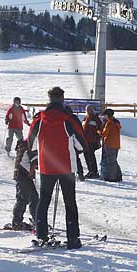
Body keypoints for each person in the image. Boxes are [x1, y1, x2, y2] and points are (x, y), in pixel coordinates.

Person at [28, 86, 86, 248]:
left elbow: (31, 143)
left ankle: (41, 235)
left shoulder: (39, 119)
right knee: (70, 202)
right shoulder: (69, 119)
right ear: (62, 99)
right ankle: (73, 238)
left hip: (47, 166)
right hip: (66, 166)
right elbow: (81, 145)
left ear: (49, 99)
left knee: (44, 201)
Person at [6, 130, 39, 231]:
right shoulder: (30, 147)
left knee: (34, 198)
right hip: (23, 175)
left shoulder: (24, 144)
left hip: (22, 175)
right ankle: (17, 222)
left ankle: (36, 219)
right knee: (23, 199)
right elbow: (35, 164)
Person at [78, 105, 102, 178]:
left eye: (91, 109)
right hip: (85, 140)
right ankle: (90, 171)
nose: (89, 111)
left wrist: (98, 137)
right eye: (88, 109)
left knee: (91, 156)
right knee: (87, 156)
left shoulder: (96, 118)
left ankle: (94, 172)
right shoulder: (85, 118)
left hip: (92, 141)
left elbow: (100, 128)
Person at [99, 108, 123, 182]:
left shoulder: (109, 123)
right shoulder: (116, 122)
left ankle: (112, 178)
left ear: (107, 115)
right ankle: (118, 175)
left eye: (104, 115)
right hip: (116, 144)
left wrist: (99, 131)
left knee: (111, 162)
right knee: (114, 161)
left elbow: (104, 134)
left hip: (109, 144)